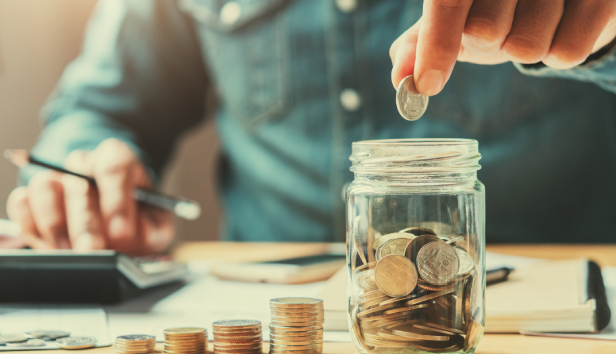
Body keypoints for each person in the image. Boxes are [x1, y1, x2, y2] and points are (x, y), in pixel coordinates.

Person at [6, 0, 616, 255]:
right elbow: (101, 109)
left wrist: (604, 37)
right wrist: (82, 163)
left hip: (546, 310)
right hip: (270, 319)